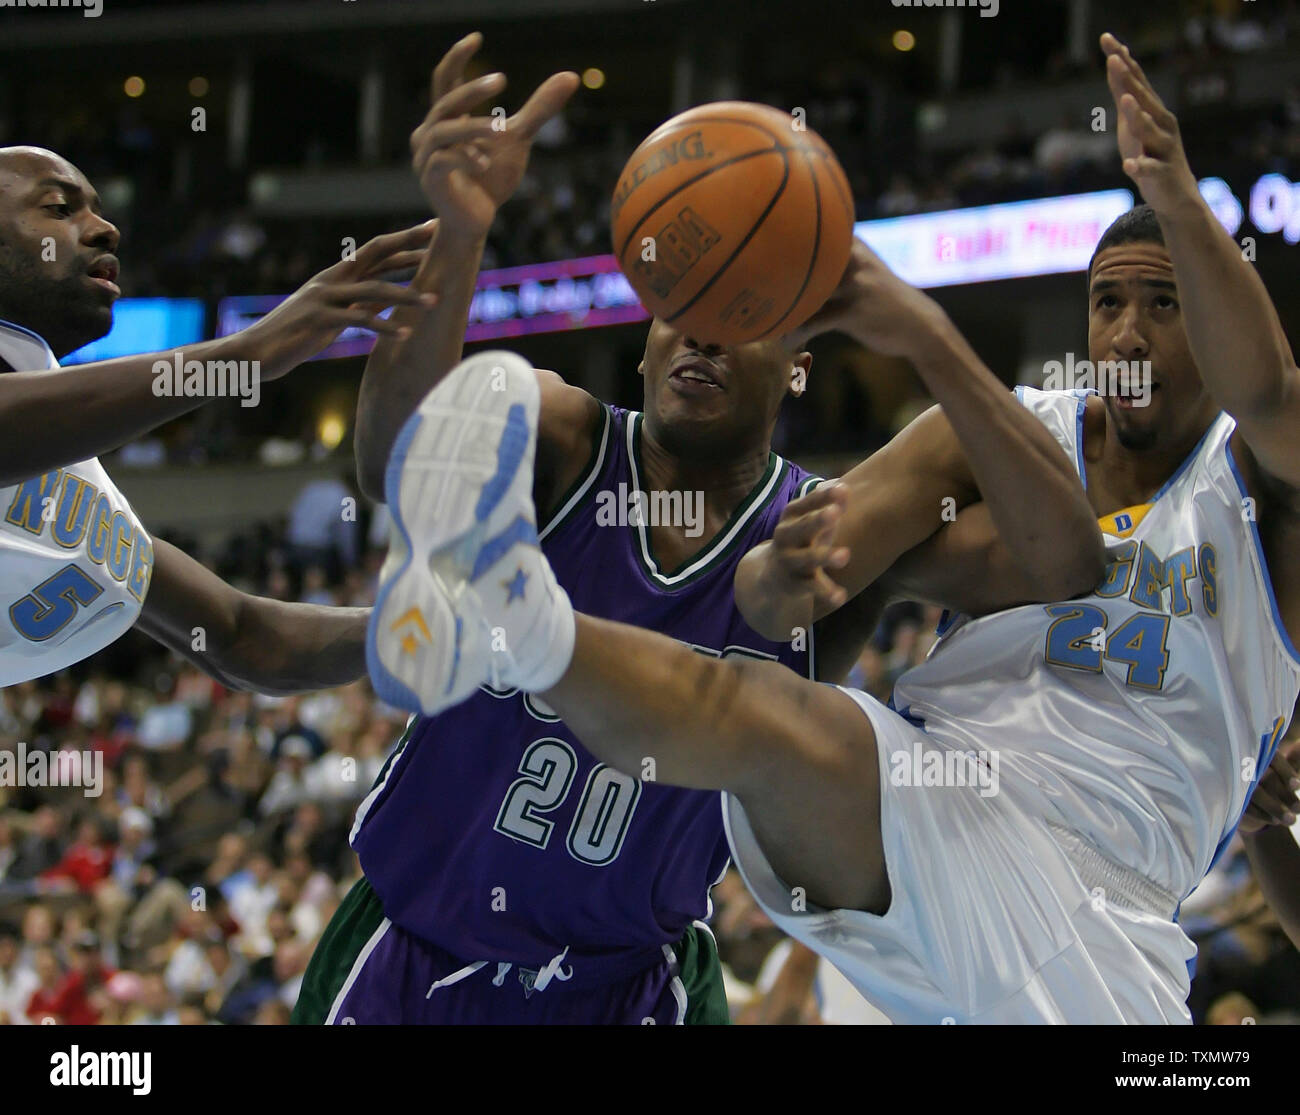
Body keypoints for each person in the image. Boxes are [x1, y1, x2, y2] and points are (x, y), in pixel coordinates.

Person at [366, 34, 1300, 1023]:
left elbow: (1250, 402)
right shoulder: (1017, 425)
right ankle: (509, 609)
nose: (1128, 332)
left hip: (1102, 903)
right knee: (763, 709)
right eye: (1107, 300)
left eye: (1164, 302)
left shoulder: (1260, 482)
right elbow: (807, 574)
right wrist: (785, 576)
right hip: (935, 813)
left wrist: (1178, 193)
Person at [0, 144, 434, 693]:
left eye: (97, 208)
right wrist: (245, 355)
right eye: (59, 208)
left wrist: (430, 627)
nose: (105, 228)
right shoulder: (28, 424)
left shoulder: (73, 478)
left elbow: (245, 639)